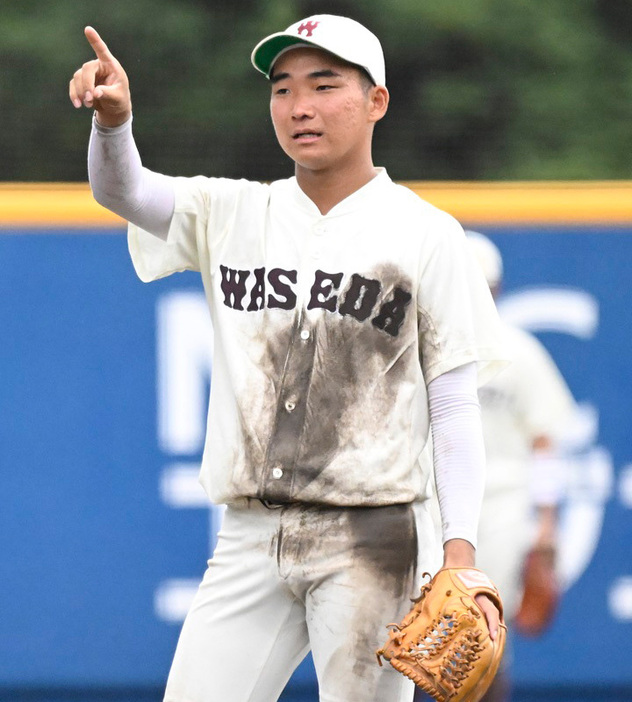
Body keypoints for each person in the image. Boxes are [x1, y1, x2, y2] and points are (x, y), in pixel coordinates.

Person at [69, 15, 507, 702]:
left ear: (377, 102)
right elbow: (123, 192)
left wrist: (460, 550)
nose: (299, 105)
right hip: (249, 534)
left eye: (324, 85)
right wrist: (113, 123)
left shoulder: (427, 235)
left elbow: (453, 408)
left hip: (375, 538)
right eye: (282, 88)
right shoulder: (234, 211)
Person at [417, 231, 576, 702]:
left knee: (483, 641)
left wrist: (546, 528)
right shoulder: (421, 349)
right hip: (429, 505)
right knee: (426, 638)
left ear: (498, 290)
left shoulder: (521, 353)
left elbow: (545, 443)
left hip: (503, 509)